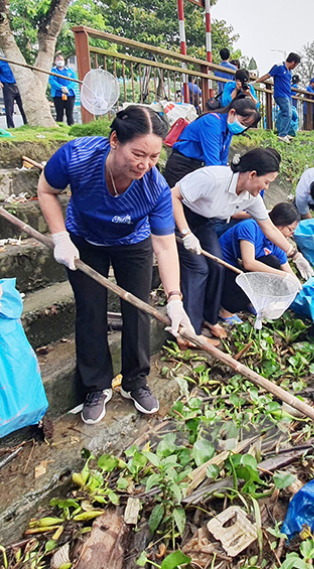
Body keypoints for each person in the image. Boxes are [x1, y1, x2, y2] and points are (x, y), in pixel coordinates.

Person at [36, 106, 194, 424]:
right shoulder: (77, 157)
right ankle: (96, 386)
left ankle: (135, 382)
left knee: (136, 308)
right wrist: (60, 236)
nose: (145, 165)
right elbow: (46, 189)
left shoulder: (155, 188)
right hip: (84, 239)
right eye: (138, 154)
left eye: (153, 157)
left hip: (131, 244)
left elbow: (164, 246)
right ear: (114, 140)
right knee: (91, 310)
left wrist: (175, 299)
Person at [171, 148, 314, 339]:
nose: (266, 188)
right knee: (198, 269)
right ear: (253, 174)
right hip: (179, 216)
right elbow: (173, 196)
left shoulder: (250, 197)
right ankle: (190, 331)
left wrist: (295, 255)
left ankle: (210, 319)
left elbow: (269, 228)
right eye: (266, 182)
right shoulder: (214, 178)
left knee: (217, 266)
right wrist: (186, 233)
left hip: (207, 222)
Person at [218, 202, 300, 322]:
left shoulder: (276, 243)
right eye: (290, 229)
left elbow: (287, 269)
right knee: (271, 264)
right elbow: (249, 263)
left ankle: (250, 302)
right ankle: (225, 311)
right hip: (223, 270)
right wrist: (283, 276)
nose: (291, 234)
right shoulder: (251, 227)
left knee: (274, 266)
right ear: (279, 224)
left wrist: (298, 286)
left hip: (238, 273)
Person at [164, 96, 260, 188]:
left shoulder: (228, 129)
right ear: (232, 112)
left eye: (246, 126)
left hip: (198, 168)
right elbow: (213, 161)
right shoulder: (211, 123)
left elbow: (222, 159)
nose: (242, 128)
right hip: (181, 166)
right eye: (242, 123)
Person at [255, 52, 300, 143]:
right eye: (296, 64)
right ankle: (282, 135)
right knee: (287, 113)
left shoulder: (289, 71)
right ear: (293, 62)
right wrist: (256, 81)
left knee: (284, 113)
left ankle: (281, 131)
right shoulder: (279, 67)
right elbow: (268, 75)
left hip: (287, 96)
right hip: (280, 95)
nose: (295, 67)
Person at [0, 57, 27, 128]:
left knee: (23, 107)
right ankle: (10, 126)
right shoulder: (0, 62)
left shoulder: (15, 60)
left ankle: (26, 123)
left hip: (18, 85)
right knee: (9, 108)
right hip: (7, 86)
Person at [49, 54, 76, 125]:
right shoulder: (52, 71)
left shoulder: (69, 71)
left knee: (69, 114)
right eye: (58, 60)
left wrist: (67, 88)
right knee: (59, 114)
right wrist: (61, 87)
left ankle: (71, 128)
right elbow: (52, 81)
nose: (60, 61)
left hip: (70, 94)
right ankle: (60, 129)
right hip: (58, 95)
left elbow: (74, 81)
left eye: (61, 59)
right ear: (55, 62)